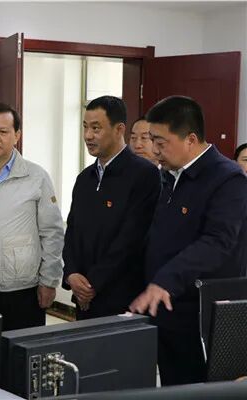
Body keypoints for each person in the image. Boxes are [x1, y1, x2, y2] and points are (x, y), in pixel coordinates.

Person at [130, 96, 247, 386]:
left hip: (201, 317)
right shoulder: (170, 175)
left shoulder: (228, 179)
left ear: (190, 139)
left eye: (160, 142)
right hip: (166, 309)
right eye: (151, 140)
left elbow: (217, 242)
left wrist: (165, 280)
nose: (154, 150)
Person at [0, 103, 64, 331]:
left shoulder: (36, 177)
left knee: (22, 352)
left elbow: (52, 233)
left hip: (25, 290)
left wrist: (49, 281)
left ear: (17, 135)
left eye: (3, 131)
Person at [62, 96, 161, 320]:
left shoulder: (143, 175)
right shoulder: (84, 178)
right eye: (85, 127)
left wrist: (92, 284)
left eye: (96, 128)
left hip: (122, 299)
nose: (88, 135)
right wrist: (71, 274)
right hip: (83, 299)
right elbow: (72, 232)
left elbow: (130, 240)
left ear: (119, 129)